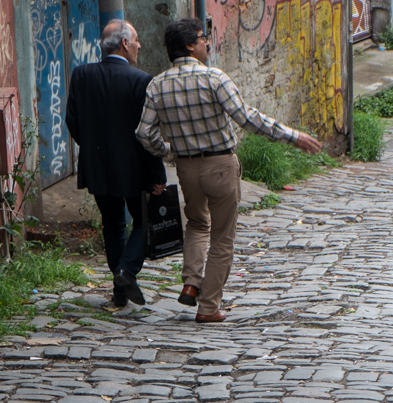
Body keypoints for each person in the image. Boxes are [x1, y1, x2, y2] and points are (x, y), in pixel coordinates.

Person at [136, 17, 321, 323]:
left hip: (186, 168)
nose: (207, 42)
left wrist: (169, 152)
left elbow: (144, 133)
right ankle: (209, 307)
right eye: (202, 37)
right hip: (220, 165)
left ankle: (191, 283)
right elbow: (247, 118)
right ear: (189, 46)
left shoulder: (157, 85)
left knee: (196, 223)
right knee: (222, 237)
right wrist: (292, 136)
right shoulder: (215, 78)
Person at [65, 20, 166, 307]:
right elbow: (149, 133)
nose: (138, 45)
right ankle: (126, 270)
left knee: (112, 225)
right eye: (135, 40)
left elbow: (72, 121)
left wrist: (92, 151)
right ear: (124, 43)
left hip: (96, 165)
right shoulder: (141, 80)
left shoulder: (81, 75)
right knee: (145, 222)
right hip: (134, 166)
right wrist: (158, 174)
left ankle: (120, 292)